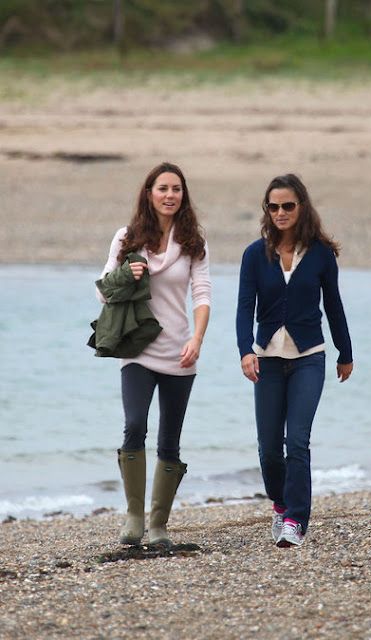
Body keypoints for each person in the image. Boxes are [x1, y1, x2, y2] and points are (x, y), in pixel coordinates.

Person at [96, 162, 211, 547]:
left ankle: (159, 524)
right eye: (162, 188)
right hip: (138, 350)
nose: (169, 195)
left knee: (170, 440)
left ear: (183, 195)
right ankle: (133, 517)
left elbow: (202, 294)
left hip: (181, 351)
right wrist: (125, 276)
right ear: (149, 193)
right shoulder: (127, 238)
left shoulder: (194, 241)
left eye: (176, 189)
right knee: (134, 425)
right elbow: (101, 291)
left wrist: (196, 339)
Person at [236, 173, 353, 548]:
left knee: (297, 442)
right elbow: (244, 309)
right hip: (267, 359)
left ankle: (296, 522)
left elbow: (333, 305)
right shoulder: (255, 254)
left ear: (301, 207)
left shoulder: (320, 254)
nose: (281, 212)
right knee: (269, 449)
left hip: (309, 357)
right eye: (274, 207)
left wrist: (345, 352)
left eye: (288, 205)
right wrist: (245, 350)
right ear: (266, 211)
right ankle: (282, 503)